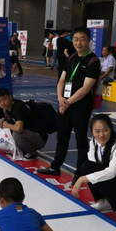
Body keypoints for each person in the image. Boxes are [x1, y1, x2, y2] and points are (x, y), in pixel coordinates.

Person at [38, 26, 100, 183]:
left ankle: (80, 172)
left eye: (82, 39)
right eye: (76, 39)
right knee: (62, 137)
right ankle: (55, 167)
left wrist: (68, 102)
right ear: (72, 41)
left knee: (81, 140)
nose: (79, 43)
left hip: (80, 106)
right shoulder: (71, 58)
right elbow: (61, 80)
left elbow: (86, 88)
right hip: (64, 103)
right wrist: (60, 98)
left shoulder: (93, 61)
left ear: (88, 41)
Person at [0, 87, 47, 159]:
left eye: (4, 99)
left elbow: (19, 128)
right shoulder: (8, 107)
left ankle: (32, 153)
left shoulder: (17, 107)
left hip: (40, 138)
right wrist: (3, 119)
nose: (2, 103)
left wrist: (8, 125)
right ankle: (24, 149)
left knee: (17, 135)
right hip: (31, 134)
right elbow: (11, 117)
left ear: (10, 97)